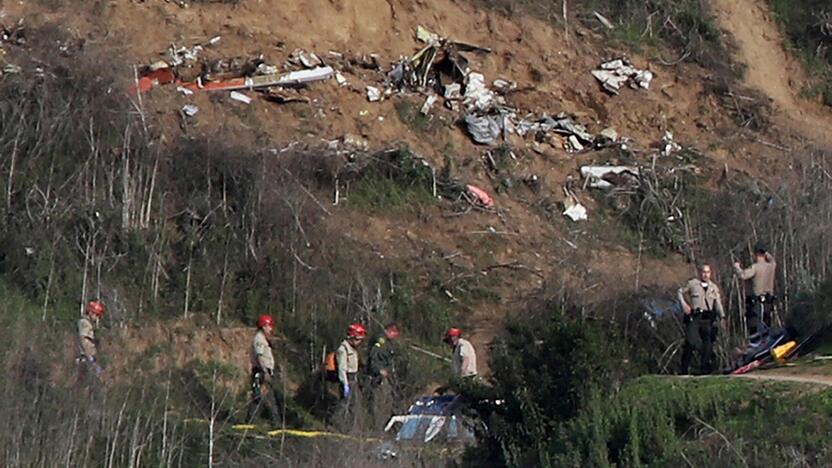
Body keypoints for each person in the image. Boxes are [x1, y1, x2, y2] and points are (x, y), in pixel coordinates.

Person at [677, 264, 726, 374]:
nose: (705, 275)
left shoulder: (713, 288)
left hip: (707, 318)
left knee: (708, 344)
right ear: (700, 272)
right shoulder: (693, 284)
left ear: (711, 273)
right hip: (695, 316)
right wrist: (684, 304)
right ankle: (684, 368)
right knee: (691, 342)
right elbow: (680, 292)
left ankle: (704, 369)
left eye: (708, 272)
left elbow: (718, 303)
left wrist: (722, 316)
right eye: (704, 272)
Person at [734, 243, 776, 341]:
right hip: (768, 302)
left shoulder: (755, 267)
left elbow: (743, 275)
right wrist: (766, 253)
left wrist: (737, 267)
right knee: (767, 326)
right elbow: (773, 260)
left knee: (756, 329)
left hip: (757, 303)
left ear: (755, 254)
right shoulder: (771, 266)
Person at [367, 323, 400, 430]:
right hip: (378, 378)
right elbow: (374, 357)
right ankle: (377, 427)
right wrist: (379, 370)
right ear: (391, 331)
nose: (395, 337)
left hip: (386, 377)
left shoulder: (387, 342)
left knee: (387, 402)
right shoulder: (381, 341)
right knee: (378, 403)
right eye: (395, 334)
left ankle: (385, 426)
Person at [247, 314, 279, 424]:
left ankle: (250, 423)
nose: (271, 329)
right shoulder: (259, 339)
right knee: (264, 399)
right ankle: (276, 424)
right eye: (269, 326)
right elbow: (259, 357)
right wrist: (265, 372)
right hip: (261, 372)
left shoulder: (264, 339)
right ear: (264, 326)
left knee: (261, 399)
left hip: (264, 372)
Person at [335, 323, 365, 431]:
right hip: (347, 379)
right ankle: (338, 426)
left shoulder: (354, 349)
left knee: (354, 406)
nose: (359, 342)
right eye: (357, 339)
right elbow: (342, 368)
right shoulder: (343, 349)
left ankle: (352, 429)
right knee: (344, 405)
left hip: (354, 379)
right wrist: (345, 384)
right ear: (351, 337)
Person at [77, 300, 105, 382]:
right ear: (90, 312)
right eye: (96, 314)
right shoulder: (84, 323)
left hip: (89, 358)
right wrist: (90, 358)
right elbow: (83, 340)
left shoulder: (89, 324)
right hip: (84, 359)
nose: (97, 318)